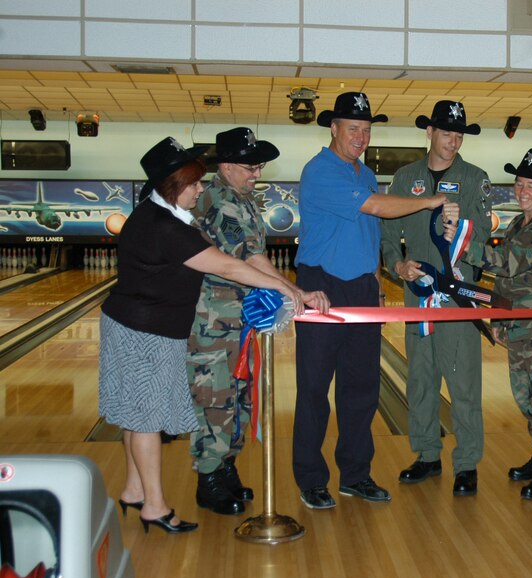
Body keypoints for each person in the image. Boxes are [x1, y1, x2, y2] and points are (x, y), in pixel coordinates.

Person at [100, 137, 326, 534]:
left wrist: (286, 289)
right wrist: (291, 291)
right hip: (155, 328)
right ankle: (165, 501)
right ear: (174, 184)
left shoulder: (157, 216)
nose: (199, 190)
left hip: (142, 324)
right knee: (162, 413)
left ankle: (138, 490)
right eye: (193, 183)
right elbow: (233, 265)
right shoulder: (172, 224)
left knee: (140, 415)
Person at [293, 92, 454, 509]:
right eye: (353, 129)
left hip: (362, 287)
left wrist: (377, 278)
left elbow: (366, 232)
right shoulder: (320, 171)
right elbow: (376, 208)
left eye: (366, 130)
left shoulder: (364, 173)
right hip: (321, 286)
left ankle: (355, 475)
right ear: (333, 128)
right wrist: (430, 200)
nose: (360, 136)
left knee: (361, 387)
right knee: (314, 389)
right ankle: (311, 479)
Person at [446, 149, 532, 500]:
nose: (522, 190)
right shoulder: (521, 223)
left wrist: (463, 244)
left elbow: (508, 264)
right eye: (519, 183)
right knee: (525, 396)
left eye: (531, 185)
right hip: (522, 324)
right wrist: (499, 316)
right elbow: (508, 283)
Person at [381, 100, 492, 497]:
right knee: (421, 380)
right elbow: (389, 237)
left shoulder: (475, 178)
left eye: (459, 133)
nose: (454, 140)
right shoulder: (404, 177)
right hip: (417, 297)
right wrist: (398, 267)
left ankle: (466, 464)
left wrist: (460, 238)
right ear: (429, 132)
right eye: (446, 132)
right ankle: (427, 454)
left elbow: (481, 242)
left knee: (463, 384)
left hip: (458, 299)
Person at [187, 127, 289, 515]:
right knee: (214, 399)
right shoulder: (221, 200)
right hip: (214, 322)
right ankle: (208, 480)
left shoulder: (242, 198)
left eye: (259, 166)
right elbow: (249, 259)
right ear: (226, 165)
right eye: (250, 166)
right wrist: (292, 290)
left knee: (237, 398)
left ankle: (225, 468)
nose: (257, 173)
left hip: (238, 319)